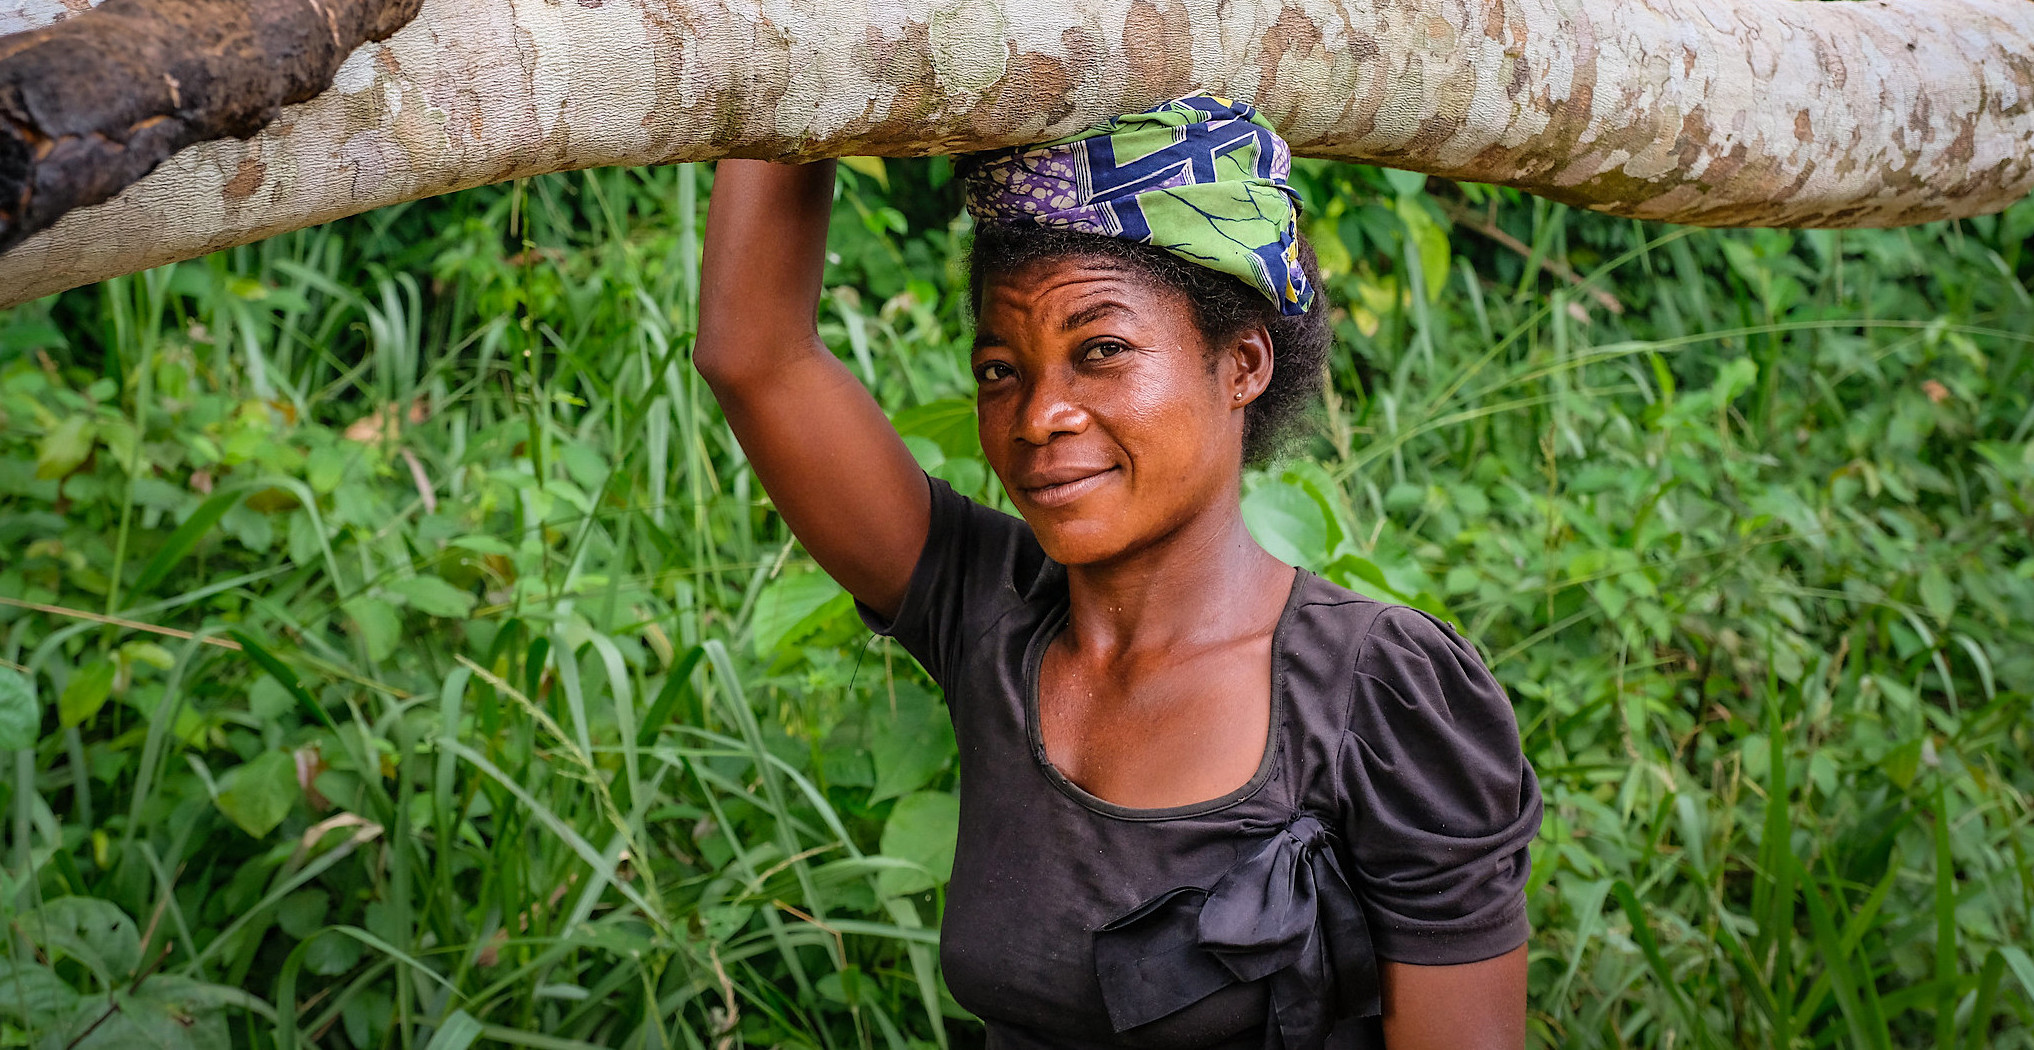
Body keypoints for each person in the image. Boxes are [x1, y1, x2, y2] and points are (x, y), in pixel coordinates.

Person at [694, 96, 1541, 1050]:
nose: (1039, 415)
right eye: (1000, 370)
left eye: (1100, 352)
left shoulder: (1383, 699)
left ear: (1244, 363)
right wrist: (812, 60)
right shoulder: (988, 613)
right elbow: (753, 353)